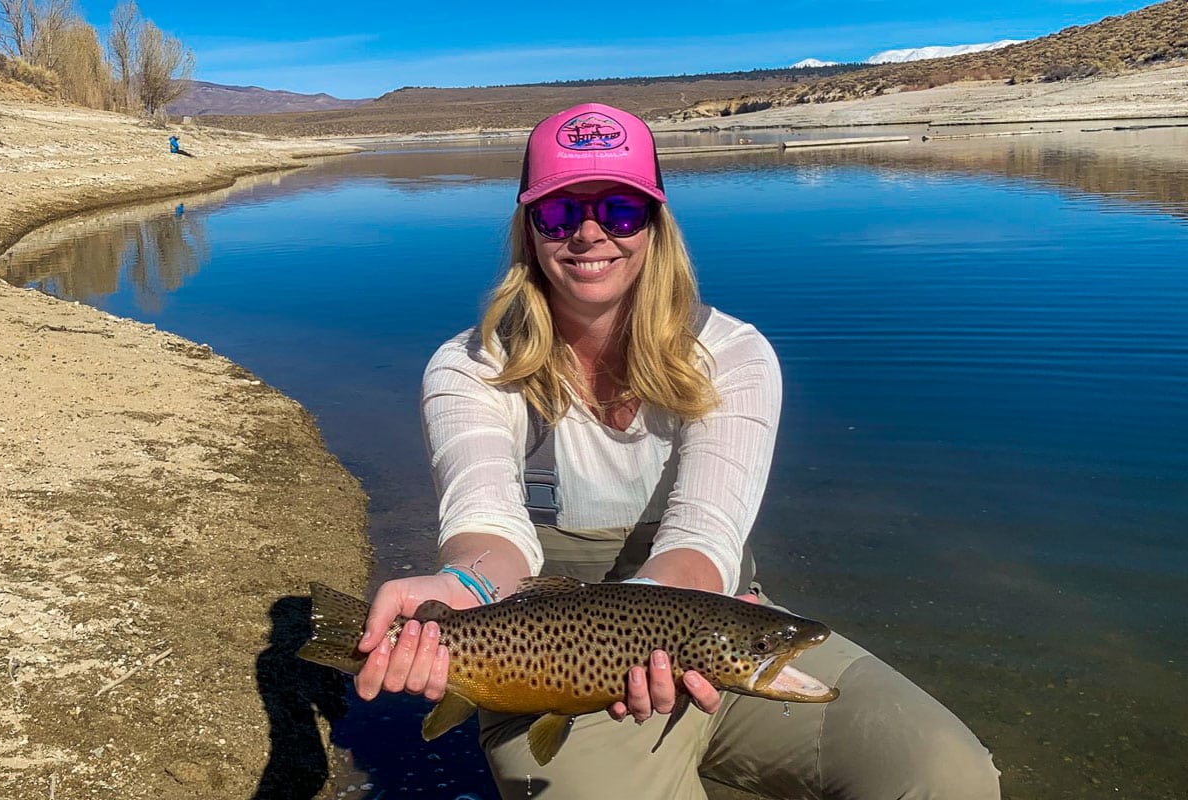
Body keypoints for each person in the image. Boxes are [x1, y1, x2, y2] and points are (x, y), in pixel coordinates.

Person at [354, 103, 1001, 799]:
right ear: (529, 229)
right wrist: (465, 589)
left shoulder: (733, 355)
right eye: (559, 214)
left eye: (621, 210)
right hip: (548, 674)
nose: (590, 234)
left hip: (717, 634)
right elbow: (489, 524)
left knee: (944, 774)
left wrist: (657, 627)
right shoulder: (471, 367)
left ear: (656, 225)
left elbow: (704, 535)